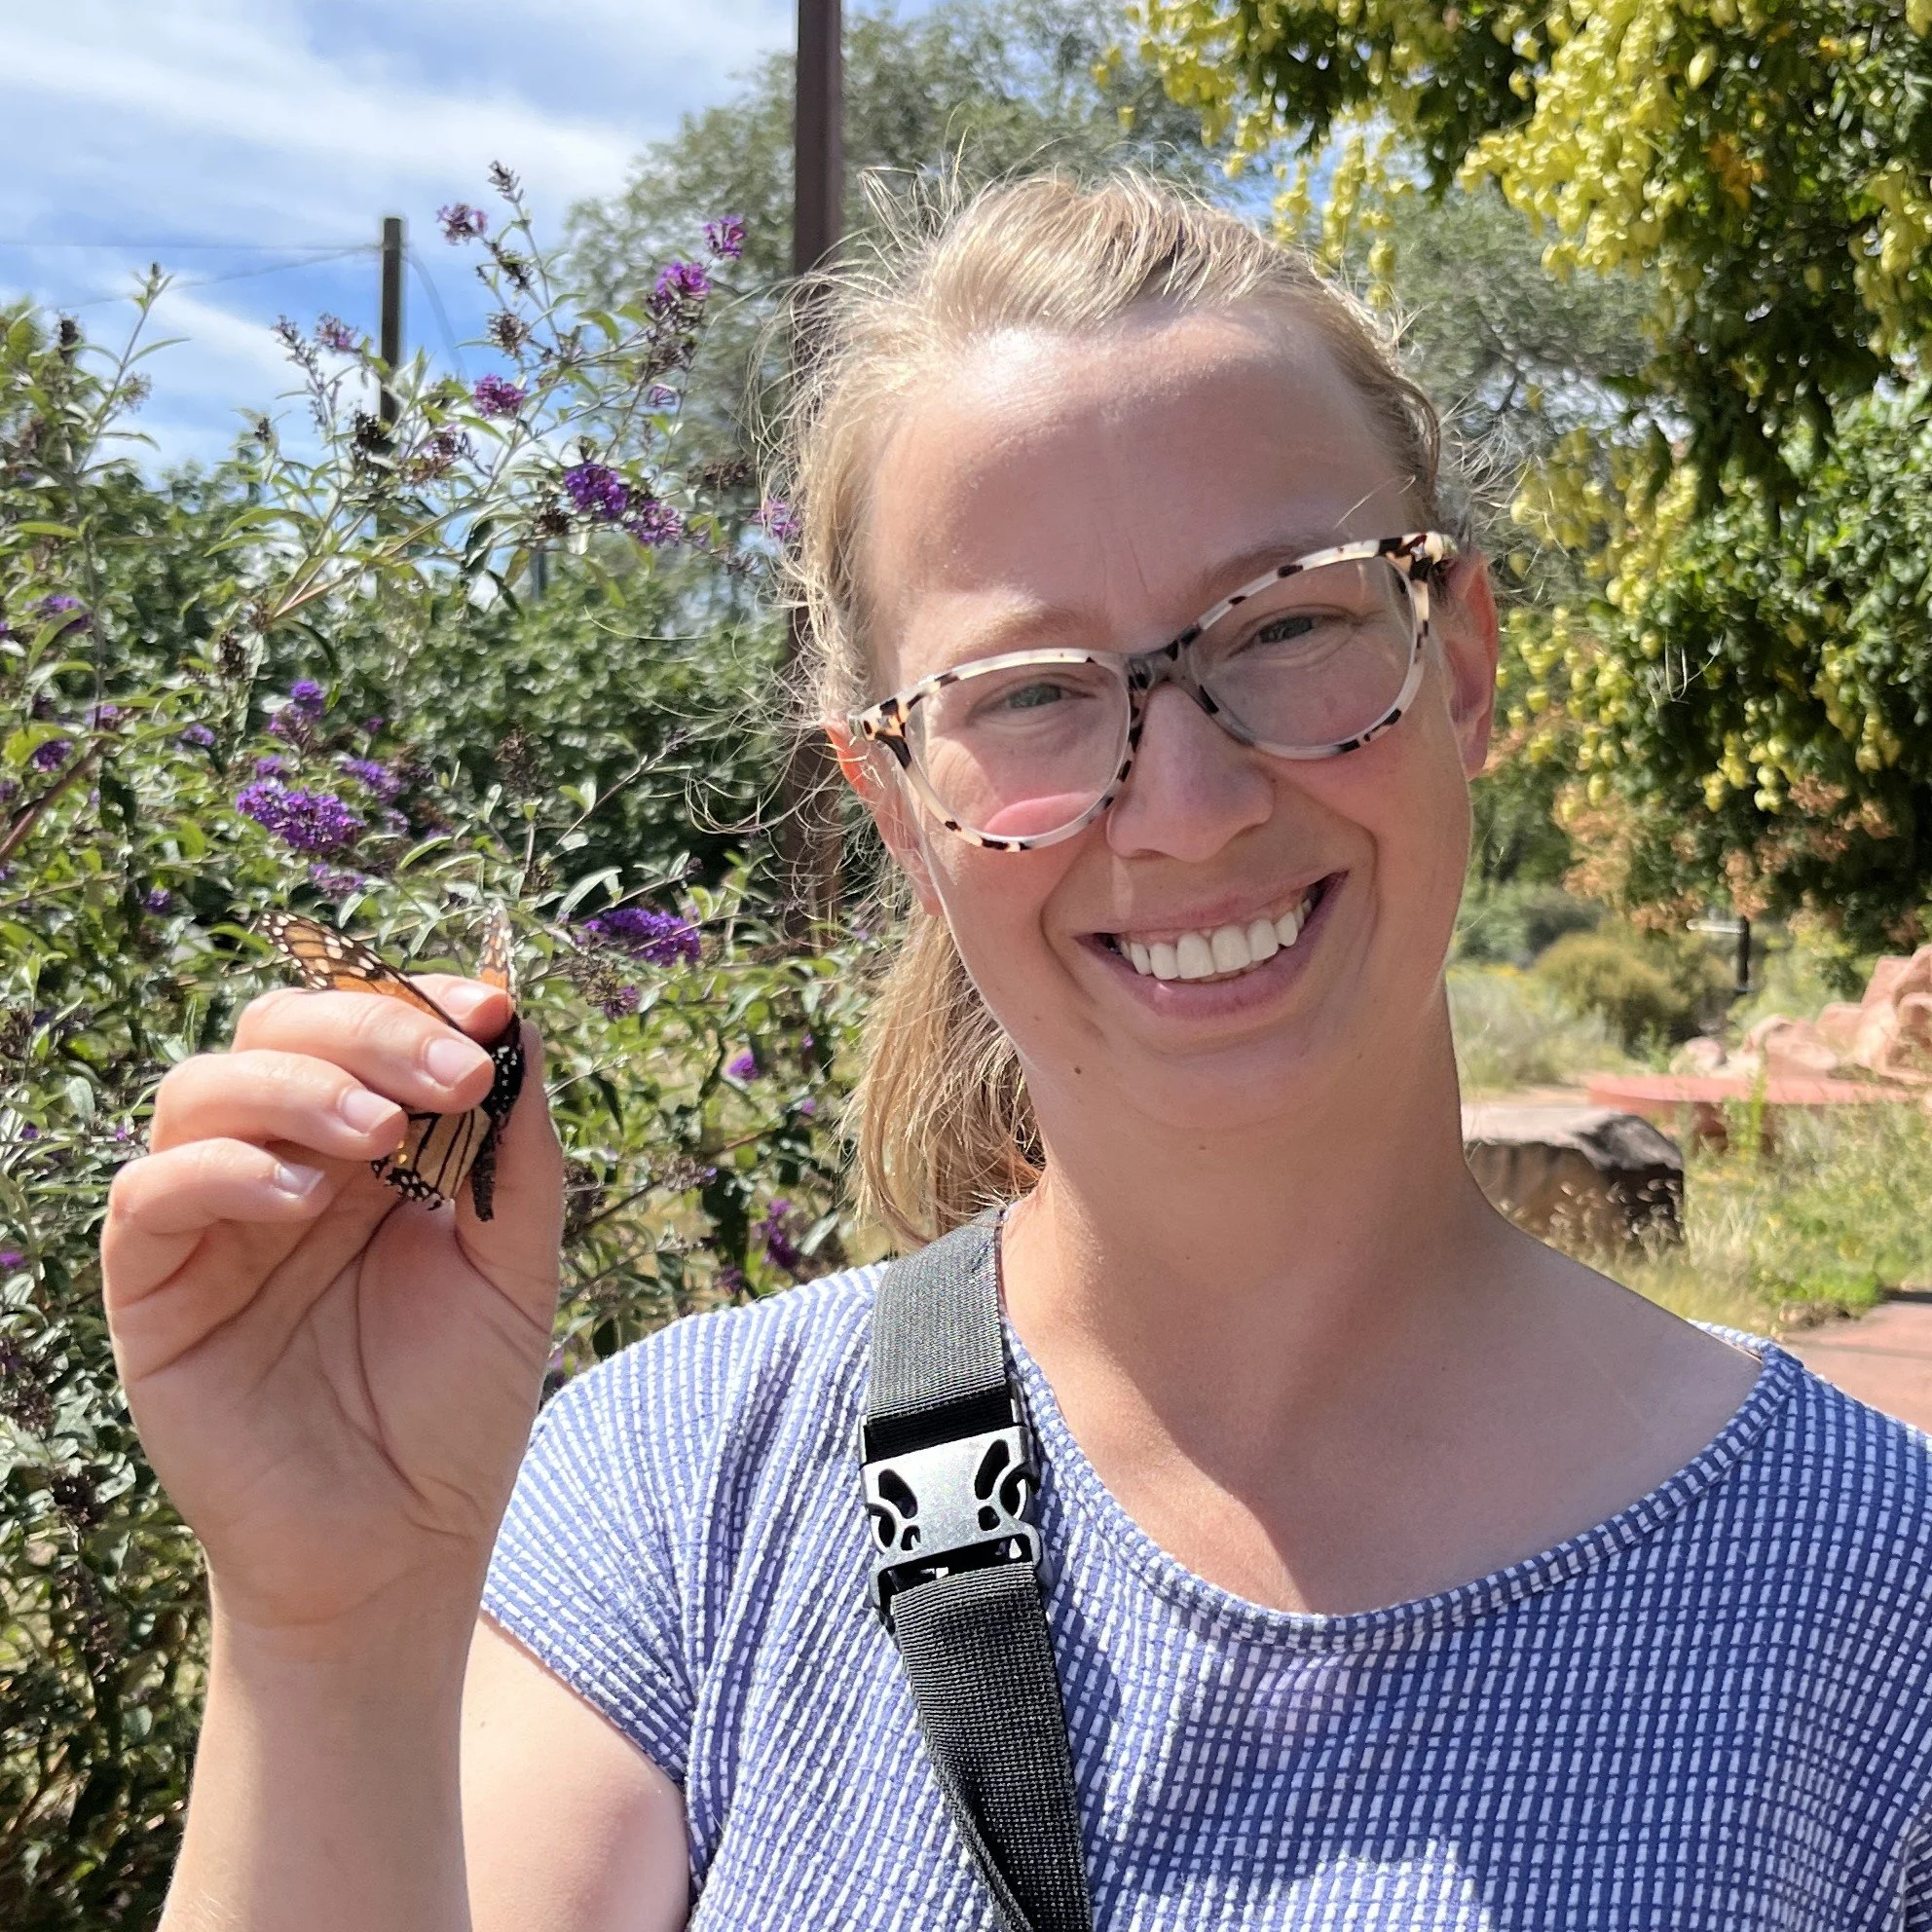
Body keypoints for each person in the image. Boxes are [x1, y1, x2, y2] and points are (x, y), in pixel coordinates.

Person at [102, 172, 1932, 1932]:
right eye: (1034, 694)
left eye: (1288, 626)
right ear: (894, 801)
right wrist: (327, 1627)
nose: (1192, 806)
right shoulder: (685, 1498)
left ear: (1456, 665)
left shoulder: (1872, 1598)